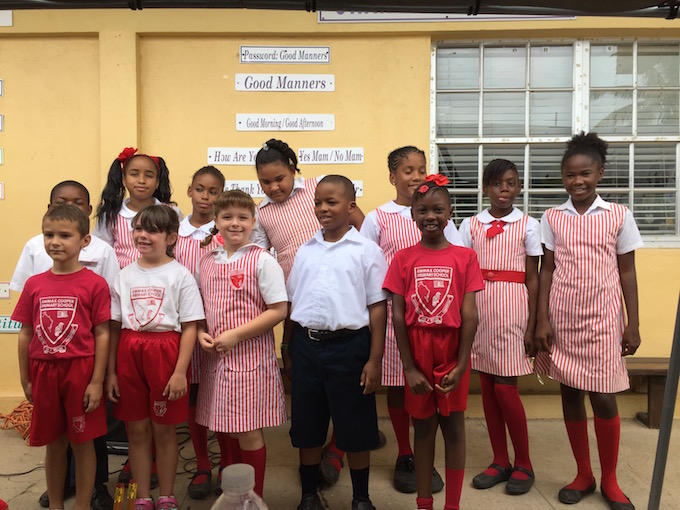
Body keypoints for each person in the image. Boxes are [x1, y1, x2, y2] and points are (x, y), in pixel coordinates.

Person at [535, 132, 642, 510]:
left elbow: (626, 272)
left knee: (603, 397)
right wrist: (541, 320)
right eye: (569, 175)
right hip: (562, 320)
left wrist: (633, 323)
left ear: (599, 173)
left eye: (585, 174)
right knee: (570, 394)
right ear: (562, 178)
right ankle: (584, 473)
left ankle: (610, 480)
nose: (577, 181)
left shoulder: (617, 215)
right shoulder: (552, 217)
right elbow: (546, 270)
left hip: (602, 321)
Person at [250, 138, 367, 485]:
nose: (274, 187)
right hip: (299, 302)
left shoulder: (319, 190)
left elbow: (363, 227)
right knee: (307, 380)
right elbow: (256, 254)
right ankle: (317, 447)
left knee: (347, 380)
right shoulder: (263, 212)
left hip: (342, 295)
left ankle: (338, 450)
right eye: (265, 182)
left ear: (293, 169)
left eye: (280, 178)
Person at [360, 146, 463, 494]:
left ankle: (426, 453)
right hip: (396, 317)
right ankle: (406, 454)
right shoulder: (378, 217)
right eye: (407, 170)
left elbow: (459, 262)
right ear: (393, 177)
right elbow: (368, 262)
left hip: (436, 320)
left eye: (421, 169)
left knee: (430, 387)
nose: (416, 176)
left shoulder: (438, 213)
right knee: (399, 383)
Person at [10, 180, 118, 510]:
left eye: (65, 235)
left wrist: (98, 380)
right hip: (44, 373)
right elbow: (26, 333)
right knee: (54, 444)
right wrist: (25, 378)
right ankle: (56, 503)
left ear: (85, 241)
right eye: (49, 235)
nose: (55, 242)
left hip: (81, 372)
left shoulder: (95, 284)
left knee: (83, 442)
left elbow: (103, 333)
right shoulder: (34, 284)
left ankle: (82, 504)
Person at [286, 175, 387, 510]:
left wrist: (374, 360)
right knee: (308, 424)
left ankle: (361, 498)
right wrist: (287, 349)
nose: (323, 208)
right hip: (306, 346)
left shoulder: (367, 251)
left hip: (351, 348)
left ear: (351, 206)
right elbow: (292, 303)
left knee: (355, 424)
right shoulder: (306, 250)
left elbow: (377, 308)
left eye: (331, 202)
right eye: (318, 202)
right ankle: (308, 495)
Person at [383, 175, 484, 510]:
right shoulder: (402, 259)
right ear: (412, 214)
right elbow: (398, 316)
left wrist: (461, 362)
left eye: (438, 209)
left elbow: (469, 314)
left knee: (454, 428)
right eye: (423, 209)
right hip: (418, 350)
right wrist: (409, 367)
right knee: (423, 431)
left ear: (450, 212)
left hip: (453, 350)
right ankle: (424, 502)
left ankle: (452, 505)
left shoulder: (466, 257)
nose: (430, 216)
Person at [106, 205, 205, 510]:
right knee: (136, 429)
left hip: (165, 353)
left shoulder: (181, 275)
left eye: (151, 230)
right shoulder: (122, 275)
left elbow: (190, 328)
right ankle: (142, 497)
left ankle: (166, 495)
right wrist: (110, 372)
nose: (143, 236)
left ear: (171, 237)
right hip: (129, 352)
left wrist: (179, 372)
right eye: (138, 229)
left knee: (164, 430)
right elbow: (113, 327)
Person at [196, 190, 288, 500]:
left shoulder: (261, 260)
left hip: (248, 359)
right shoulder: (207, 260)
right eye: (227, 217)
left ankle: (253, 496)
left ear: (253, 222)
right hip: (214, 359)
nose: (235, 223)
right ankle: (230, 494)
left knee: (247, 428)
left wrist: (236, 335)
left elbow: (278, 309)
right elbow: (198, 307)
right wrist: (200, 334)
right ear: (216, 221)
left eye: (242, 218)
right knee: (221, 423)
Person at [459, 159, 542, 496]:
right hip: (480, 308)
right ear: (485, 188)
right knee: (489, 388)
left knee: (507, 388)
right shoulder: (471, 224)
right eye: (496, 184)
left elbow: (534, 278)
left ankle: (524, 462)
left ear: (518, 186)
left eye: (510, 183)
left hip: (513, 309)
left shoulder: (528, 224)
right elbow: (463, 272)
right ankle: (499, 459)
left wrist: (533, 324)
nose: (504, 190)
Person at [173, 166, 230, 500]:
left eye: (214, 192)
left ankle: (226, 464)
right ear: (190, 191)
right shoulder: (175, 234)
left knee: (218, 395)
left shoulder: (226, 232)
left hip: (218, 324)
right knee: (194, 397)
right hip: (185, 326)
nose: (206, 197)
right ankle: (203, 464)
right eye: (200, 189)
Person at [94, 147, 181, 269]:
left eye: (149, 176)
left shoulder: (171, 212)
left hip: (162, 279)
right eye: (134, 174)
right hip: (122, 282)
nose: (141, 180)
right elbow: (101, 251)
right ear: (124, 180)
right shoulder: (111, 214)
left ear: (157, 182)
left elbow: (179, 247)